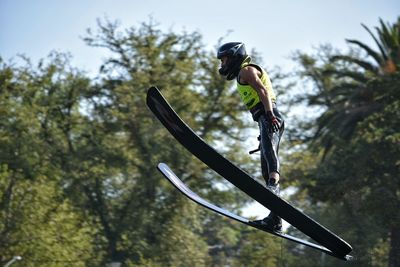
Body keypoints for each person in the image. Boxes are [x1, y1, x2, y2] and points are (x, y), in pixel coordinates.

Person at [217, 42, 284, 232]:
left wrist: (270, 116)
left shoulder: (246, 71)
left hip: (269, 115)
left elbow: (262, 91)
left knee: (270, 156)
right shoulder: (241, 74)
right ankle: (275, 219)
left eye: (224, 59)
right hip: (264, 118)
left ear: (235, 56)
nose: (223, 64)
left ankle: (272, 187)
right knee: (265, 166)